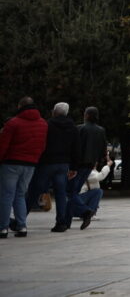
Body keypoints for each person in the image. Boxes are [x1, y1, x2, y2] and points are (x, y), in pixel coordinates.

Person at [0, 97, 49, 238]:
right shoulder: (43, 124)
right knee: (20, 194)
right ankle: (22, 226)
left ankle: (3, 228)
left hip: (11, 163)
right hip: (30, 164)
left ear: (20, 106)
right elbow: (42, 146)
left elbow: (3, 145)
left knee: (6, 195)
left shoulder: (13, 123)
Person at [27, 102, 78, 232]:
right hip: (63, 164)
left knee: (35, 190)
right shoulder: (73, 127)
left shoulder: (47, 125)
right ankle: (61, 222)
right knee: (61, 193)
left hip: (47, 162)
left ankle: (21, 220)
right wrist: (73, 167)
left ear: (54, 112)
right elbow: (76, 148)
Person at [66, 106, 106, 231]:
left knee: (70, 192)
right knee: (74, 192)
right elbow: (103, 149)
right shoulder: (101, 130)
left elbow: (73, 148)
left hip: (77, 165)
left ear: (87, 115)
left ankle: (85, 211)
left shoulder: (80, 128)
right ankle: (66, 221)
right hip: (90, 165)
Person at [71, 154, 113, 228]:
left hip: (78, 201)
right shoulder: (88, 172)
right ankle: (89, 213)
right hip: (78, 202)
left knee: (97, 192)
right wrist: (108, 165)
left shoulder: (88, 170)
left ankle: (86, 212)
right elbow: (100, 176)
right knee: (98, 192)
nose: (96, 163)